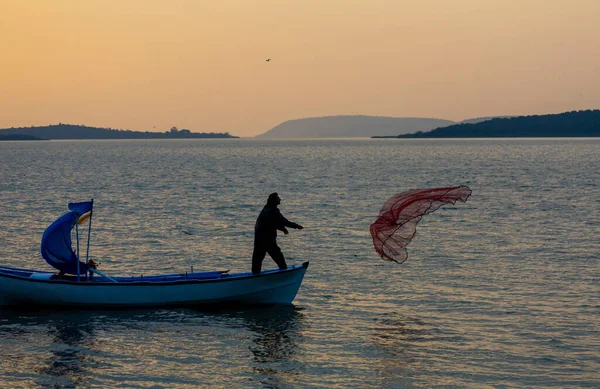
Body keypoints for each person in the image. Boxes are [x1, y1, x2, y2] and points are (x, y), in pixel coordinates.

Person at [252, 192, 303, 274]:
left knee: (257, 259)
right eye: (278, 198)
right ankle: (284, 273)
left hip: (259, 238)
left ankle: (254, 275)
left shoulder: (266, 209)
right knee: (278, 256)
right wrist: (296, 226)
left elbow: (271, 222)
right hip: (267, 239)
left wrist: (282, 229)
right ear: (274, 201)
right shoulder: (273, 210)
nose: (280, 199)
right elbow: (284, 221)